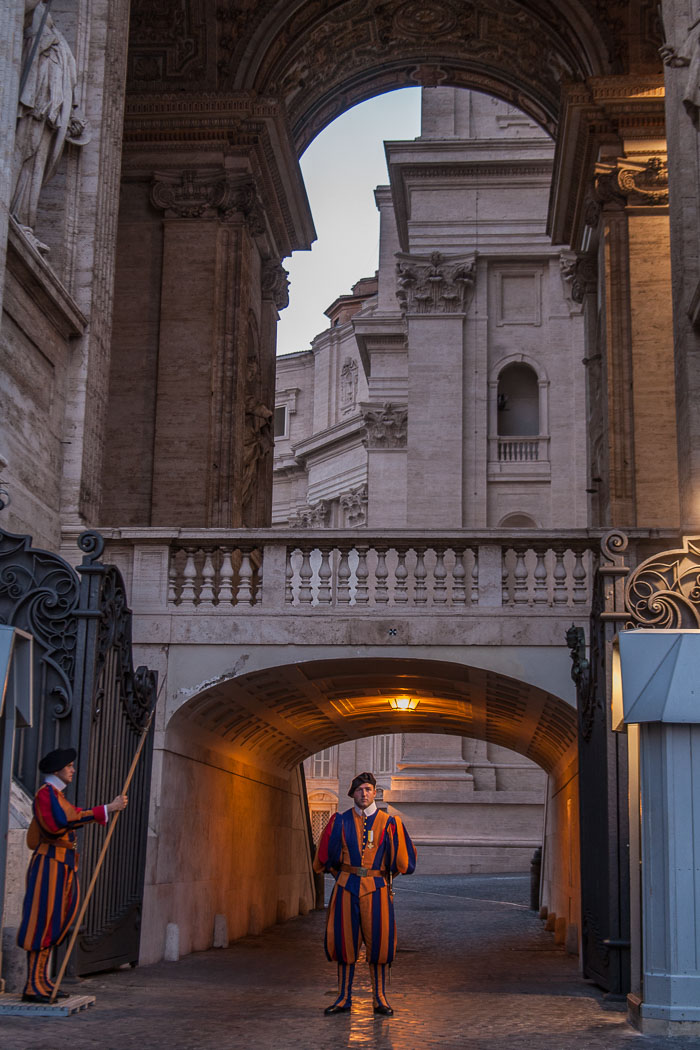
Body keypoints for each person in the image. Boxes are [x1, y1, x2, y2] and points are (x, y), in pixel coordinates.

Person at [16, 747, 128, 1003]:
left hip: (62, 864)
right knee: (42, 921)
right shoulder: (46, 795)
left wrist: (105, 810)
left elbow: (70, 815)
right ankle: (32, 984)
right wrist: (106, 809)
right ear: (57, 770)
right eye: (68, 766)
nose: (72, 770)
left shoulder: (57, 795)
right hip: (49, 863)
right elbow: (61, 822)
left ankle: (42, 979)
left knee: (56, 921)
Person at [313, 771, 416, 1017]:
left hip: (377, 890)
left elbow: (403, 862)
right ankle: (343, 997)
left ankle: (380, 998)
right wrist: (342, 876)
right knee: (344, 942)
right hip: (346, 888)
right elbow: (325, 858)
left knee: (380, 944)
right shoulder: (340, 821)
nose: (364, 794)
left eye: (368, 789)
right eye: (360, 790)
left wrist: (381, 879)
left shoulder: (390, 823)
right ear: (353, 794)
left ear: (374, 793)